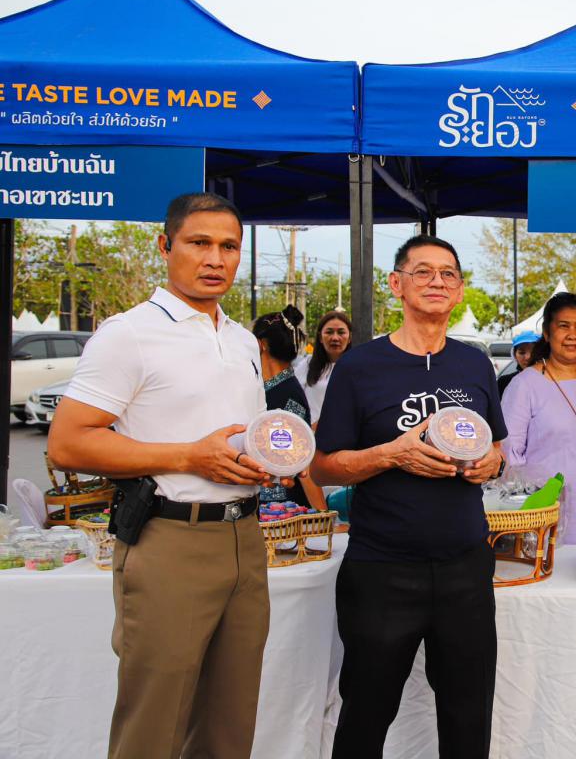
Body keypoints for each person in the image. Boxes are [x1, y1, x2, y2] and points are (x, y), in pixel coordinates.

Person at [47, 193, 279, 758]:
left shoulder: (242, 338)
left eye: (229, 247)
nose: (215, 259)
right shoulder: (129, 333)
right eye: (200, 243)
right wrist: (187, 457)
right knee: (154, 725)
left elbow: (235, 436)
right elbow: (68, 442)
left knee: (230, 721)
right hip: (170, 536)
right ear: (165, 246)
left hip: (245, 536)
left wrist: (271, 455)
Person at [311, 235, 505, 759]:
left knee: (468, 717)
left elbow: (497, 448)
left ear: (459, 290)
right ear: (396, 284)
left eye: (448, 274)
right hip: (382, 570)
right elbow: (322, 466)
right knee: (365, 715)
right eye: (423, 271)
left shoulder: (475, 365)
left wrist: (491, 463)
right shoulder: (360, 367)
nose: (437, 281)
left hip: (465, 568)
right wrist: (389, 455)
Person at [502, 292, 576, 545]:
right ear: (547, 333)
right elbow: (509, 458)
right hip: (548, 514)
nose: (572, 335)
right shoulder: (524, 385)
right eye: (564, 326)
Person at [253, 305, 326, 511]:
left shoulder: (287, 395)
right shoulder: (268, 388)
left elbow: (302, 460)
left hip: (282, 511)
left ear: (260, 344)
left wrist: (323, 516)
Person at [295, 310, 352, 425]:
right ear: (320, 337)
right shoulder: (306, 365)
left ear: (350, 337)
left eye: (341, 332)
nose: (335, 338)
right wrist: (304, 425)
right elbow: (293, 399)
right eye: (329, 332)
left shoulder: (358, 367)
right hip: (312, 433)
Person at [498, 329, 539, 398]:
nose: (527, 357)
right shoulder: (504, 382)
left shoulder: (551, 382)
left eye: (533, 352)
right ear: (514, 355)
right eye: (522, 353)